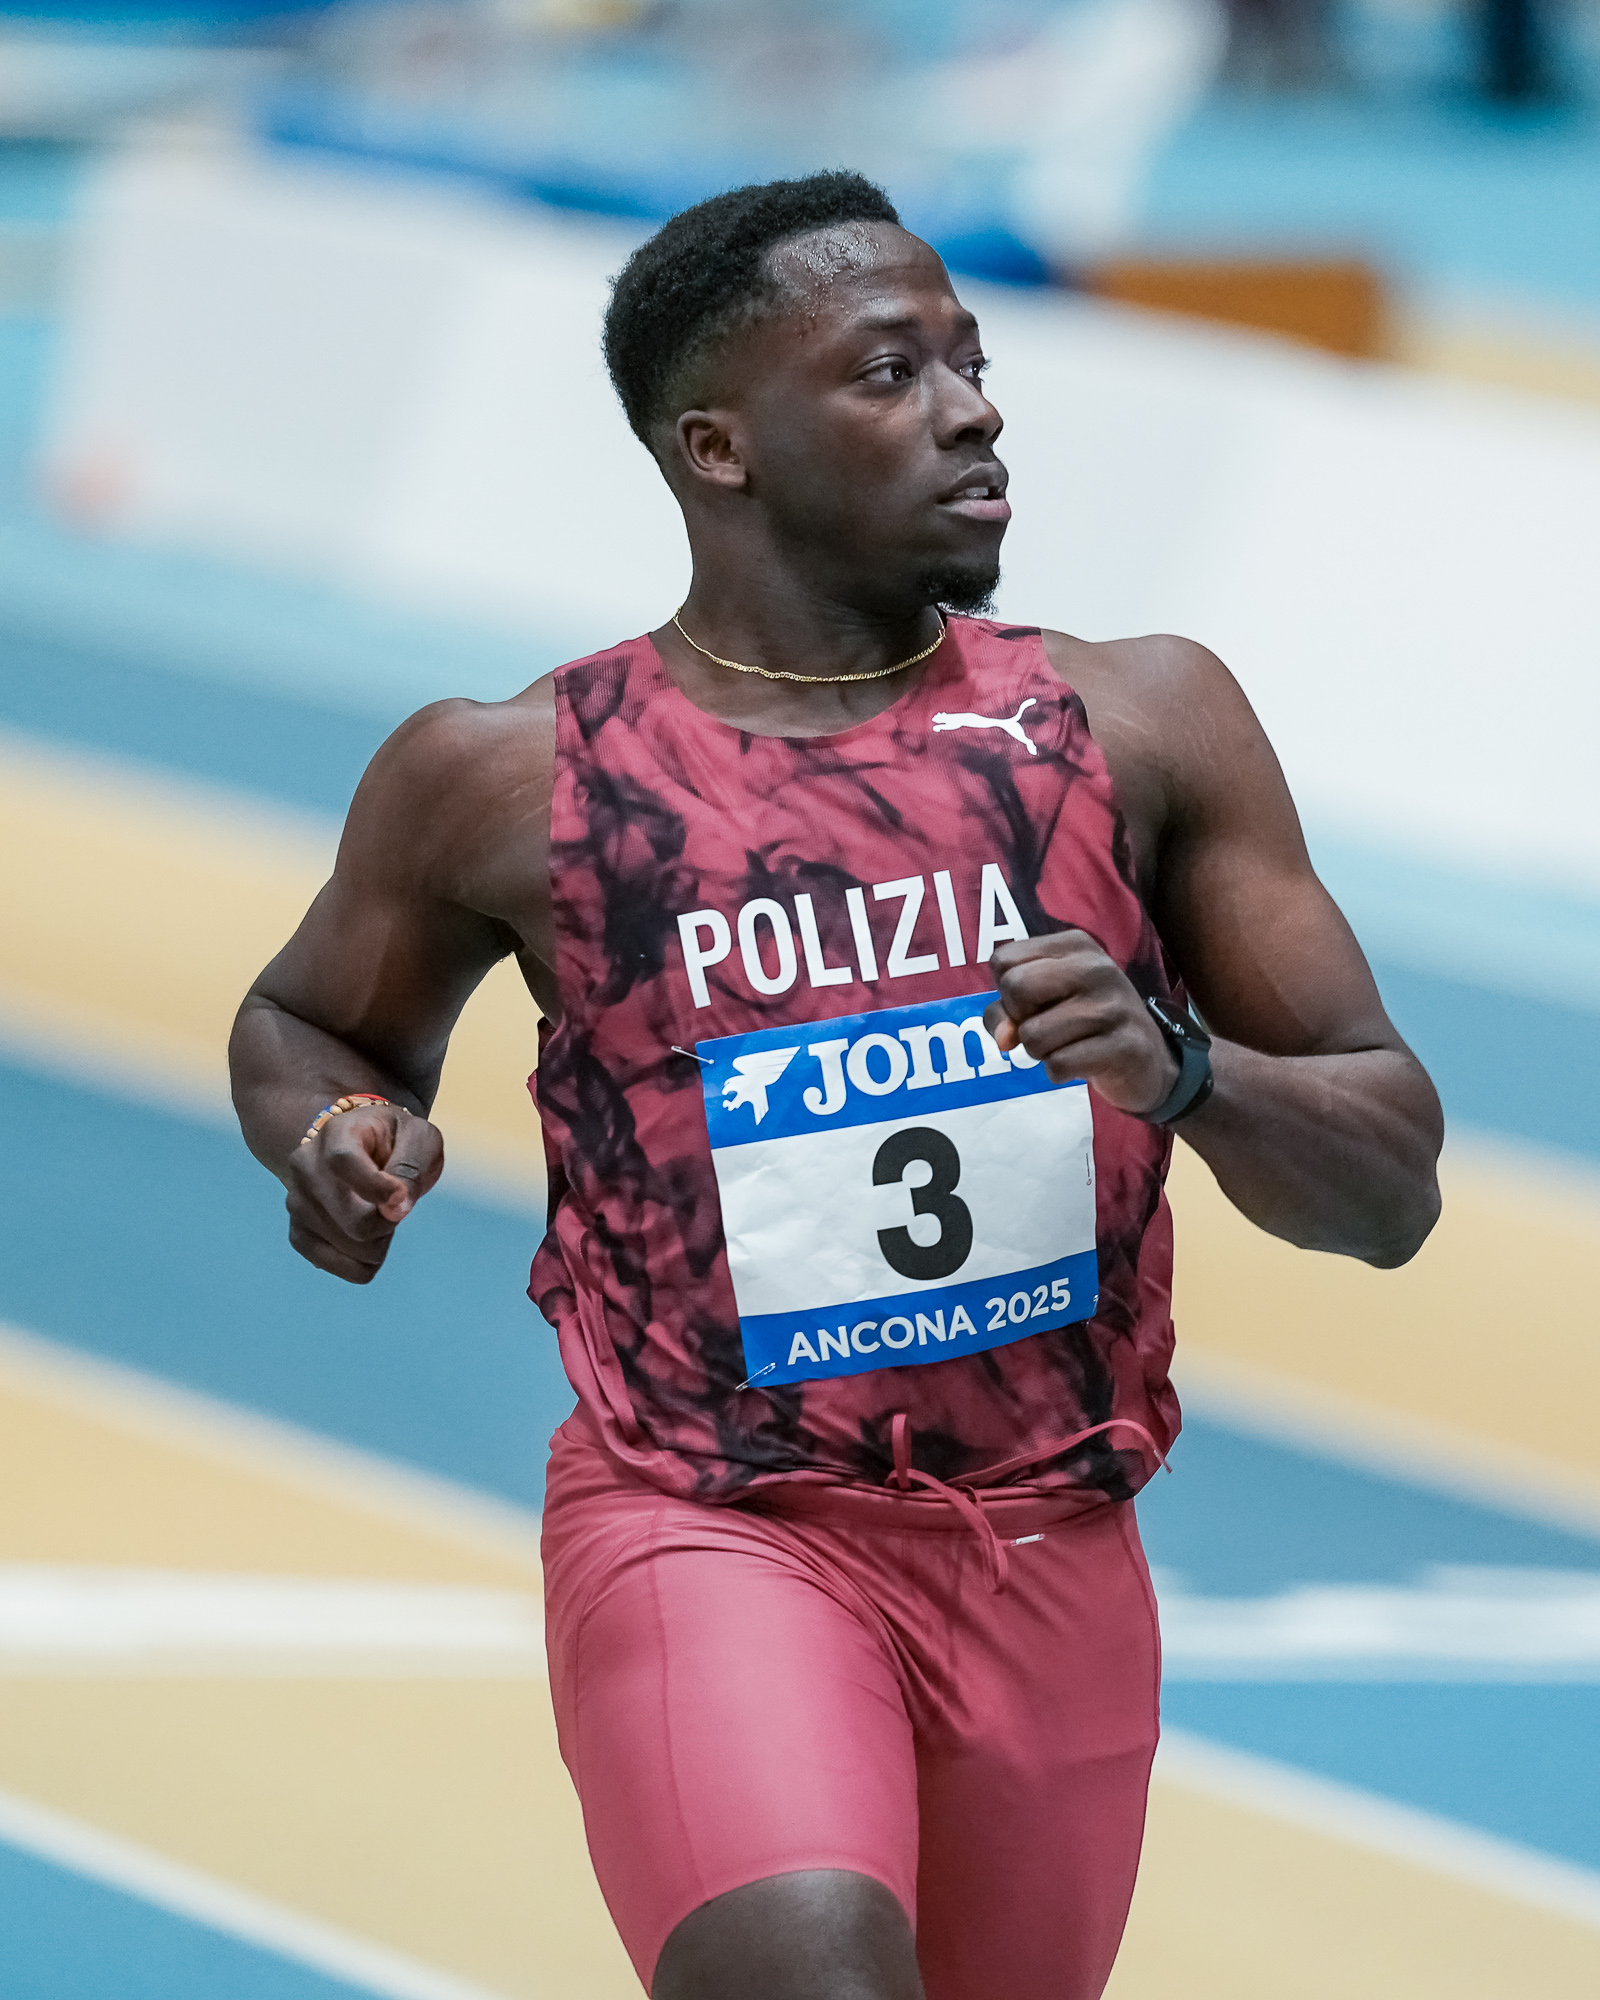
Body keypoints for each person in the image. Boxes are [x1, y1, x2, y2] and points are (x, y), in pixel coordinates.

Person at [229, 171, 1442, 2000]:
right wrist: (331, 1132)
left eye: (973, 361)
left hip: (1051, 1541)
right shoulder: (512, 778)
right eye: (891, 372)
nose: (974, 411)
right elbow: (307, 1023)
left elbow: (1392, 1188)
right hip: (708, 1523)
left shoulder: (1137, 729)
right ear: (718, 447)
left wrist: (1183, 1071)